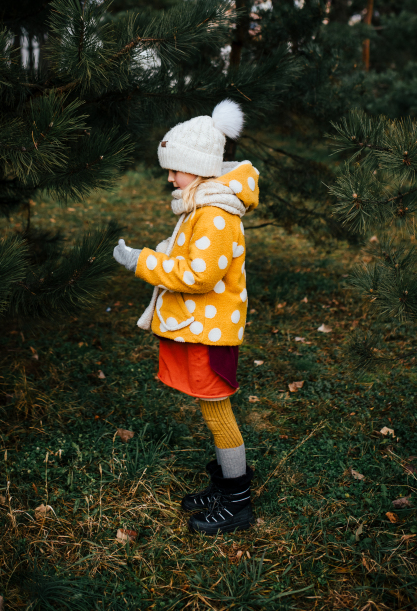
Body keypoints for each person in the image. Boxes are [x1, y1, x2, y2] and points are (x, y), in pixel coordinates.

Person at [113, 100, 260, 534]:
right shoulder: (203, 205)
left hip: (211, 330)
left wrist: (143, 262)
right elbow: (191, 254)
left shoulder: (214, 214)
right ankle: (226, 485)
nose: (171, 177)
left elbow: (198, 275)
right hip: (203, 325)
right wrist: (162, 251)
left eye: (177, 169)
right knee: (210, 406)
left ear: (201, 167)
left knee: (217, 408)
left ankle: (238, 503)